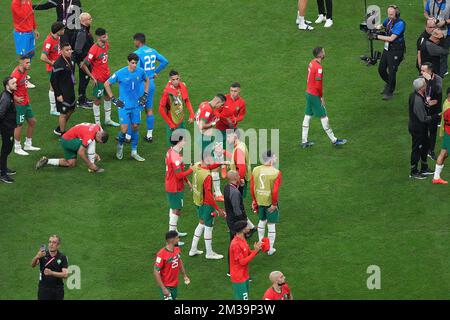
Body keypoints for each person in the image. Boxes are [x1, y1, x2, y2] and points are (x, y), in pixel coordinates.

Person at [104, 53, 149, 162]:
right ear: (128, 62)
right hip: (123, 106)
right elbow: (106, 84)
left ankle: (134, 151)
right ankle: (120, 146)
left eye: (136, 63)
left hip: (136, 105)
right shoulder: (120, 73)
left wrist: (145, 94)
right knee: (124, 130)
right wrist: (113, 99)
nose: (134, 65)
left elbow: (147, 80)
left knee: (135, 127)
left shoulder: (140, 71)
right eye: (132, 63)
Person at [301, 47, 347, 148]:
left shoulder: (311, 62)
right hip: (314, 95)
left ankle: (304, 141)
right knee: (324, 117)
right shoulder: (319, 68)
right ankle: (334, 140)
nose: (325, 53)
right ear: (320, 54)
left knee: (307, 115)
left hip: (308, 93)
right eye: (324, 51)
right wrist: (321, 97)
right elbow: (318, 85)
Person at [133, 33, 169, 142]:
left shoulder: (137, 53)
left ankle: (131, 135)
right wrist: (155, 72)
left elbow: (137, 71)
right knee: (149, 109)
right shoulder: (152, 51)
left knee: (136, 109)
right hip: (151, 84)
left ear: (138, 42)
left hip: (141, 85)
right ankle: (149, 135)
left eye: (134, 41)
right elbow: (165, 61)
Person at [81, 28, 119, 127]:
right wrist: (92, 77)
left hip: (107, 78)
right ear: (98, 38)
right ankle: (97, 124)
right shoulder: (93, 50)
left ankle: (107, 119)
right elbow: (84, 65)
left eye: (106, 35)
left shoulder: (106, 45)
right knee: (97, 100)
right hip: (98, 80)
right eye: (104, 37)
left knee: (107, 97)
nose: (106, 38)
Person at [188, 157, 225, 259]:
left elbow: (210, 167)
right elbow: (209, 195)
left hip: (197, 201)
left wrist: (221, 163)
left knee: (201, 223)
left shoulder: (197, 166)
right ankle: (209, 253)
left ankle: (193, 249)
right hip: (206, 204)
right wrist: (218, 209)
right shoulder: (207, 176)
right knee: (208, 227)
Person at [36, 122, 108, 173]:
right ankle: (92, 167)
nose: (99, 143)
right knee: (89, 142)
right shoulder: (90, 136)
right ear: (99, 136)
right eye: (100, 141)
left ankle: (47, 161)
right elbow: (81, 152)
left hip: (66, 139)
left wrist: (93, 153)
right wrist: (89, 163)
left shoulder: (97, 127)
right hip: (68, 141)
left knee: (71, 163)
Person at [224, 171, 257, 276]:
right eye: (238, 175)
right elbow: (237, 209)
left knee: (234, 245)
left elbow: (237, 197)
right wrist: (244, 223)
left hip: (231, 220)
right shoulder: (234, 192)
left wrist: (241, 186)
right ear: (235, 178)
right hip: (236, 223)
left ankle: (231, 270)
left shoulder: (227, 188)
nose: (240, 176)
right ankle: (236, 272)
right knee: (238, 247)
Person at [370, 5, 406, 100]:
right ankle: (389, 83)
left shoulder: (400, 23)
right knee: (381, 69)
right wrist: (375, 28)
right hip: (388, 49)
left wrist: (376, 36)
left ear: (397, 14)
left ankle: (390, 91)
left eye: (391, 14)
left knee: (392, 71)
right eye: (388, 14)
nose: (389, 16)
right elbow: (382, 26)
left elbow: (391, 38)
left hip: (396, 50)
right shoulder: (389, 20)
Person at [250, 150, 282, 256]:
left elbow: (252, 187)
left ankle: (261, 244)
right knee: (271, 224)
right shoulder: (276, 172)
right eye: (275, 156)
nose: (276, 158)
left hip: (259, 200)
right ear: (271, 158)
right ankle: (270, 249)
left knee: (262, 221)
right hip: (269, 202)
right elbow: (275, 191)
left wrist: (254, 200)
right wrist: (273, 204)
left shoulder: (255, 170)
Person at [408, 78, 440, 179]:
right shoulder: (417, 100)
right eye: (425, 86)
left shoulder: (418, 95)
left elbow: (423, 106)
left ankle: (424, 167)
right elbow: (423, 118)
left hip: (421, 127)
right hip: (418, 129)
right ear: (421, 88)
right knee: (417, 148)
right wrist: (437, 116)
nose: (426, 87)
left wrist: (428, 104)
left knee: (425, 145)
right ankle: (413, 171)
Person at [165, 134, 193, 246]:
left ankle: (174, 231)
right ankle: (173, 238)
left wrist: (188, 181)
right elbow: (178, 175)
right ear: (178, 142)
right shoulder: (175, 157)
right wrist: (191, 169)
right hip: (174, 186)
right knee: (176, 210)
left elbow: (179, 171)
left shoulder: (171, 152)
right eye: (183, 140)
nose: (185, 141)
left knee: (175, 208)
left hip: (174, 185)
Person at [11, 56, 40, 156]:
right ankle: (17, 147)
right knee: (19, 125)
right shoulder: (16, 75)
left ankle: (28, 144)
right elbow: (8, 89)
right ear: (21, 63)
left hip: (26, 101)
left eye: (29, 62)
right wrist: (16, 98)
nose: (29, 64)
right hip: (19, 104)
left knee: (32, 122)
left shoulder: (24, 70)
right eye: (27, 63)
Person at [158, 70, 195, 146]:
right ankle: (171, 157)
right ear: (170, 79)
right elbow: (160, 109)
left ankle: (179, 157)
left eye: (177, 79)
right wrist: (170, 124)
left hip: (180, 118)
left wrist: (192, 114)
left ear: (179, 77)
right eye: (173, 80)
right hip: (172, 120)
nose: (175, 81)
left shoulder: (182, 86)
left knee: (182, 142)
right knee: (173, 145)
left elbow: (187, 100)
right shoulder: (167, 91)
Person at [229, 220, 262, 300]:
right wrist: (255, 252)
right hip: (238, 276)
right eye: (247, 226)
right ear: (242, 229)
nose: (249, 227)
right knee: (243, 298)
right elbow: (242, 262)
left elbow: (248, 253)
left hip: (244, 274)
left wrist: (257, 249)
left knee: (244, 297)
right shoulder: (235, 244)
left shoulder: (242, 239)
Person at [154, 231, 190, 300]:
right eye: (177, 238)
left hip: (174, 284)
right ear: (172, 240)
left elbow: (179, 261)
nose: (179, 239)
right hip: (166, 285)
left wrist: (184, 275)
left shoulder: (176, 249)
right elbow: (156, 271)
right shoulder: (161, 254)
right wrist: (163, 288)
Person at [11, 0, 39, 89]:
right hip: (22, 34)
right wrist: (29, 9)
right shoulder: (15, 3)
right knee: (24, 57)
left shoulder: (28, 1)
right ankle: (23, 80)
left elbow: (31, 15)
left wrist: (35, 28)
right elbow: (24, 15)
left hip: (29, 32)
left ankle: (24, 74)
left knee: (31, 54)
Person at [31, 235, 68, 300]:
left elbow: (65, 275)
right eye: (50, 242)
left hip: (57, 290)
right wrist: (37, 256)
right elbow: (32, 265)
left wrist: (52, 273)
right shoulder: (43, 254)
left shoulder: (62, 257)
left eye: (54, 242)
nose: (51, 244)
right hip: (43, 290)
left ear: (58, 245)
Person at [51, 42, 76, 136]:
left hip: (70, 89)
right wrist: (58, 94)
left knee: (72, 109)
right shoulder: (58, 64)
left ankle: (59, 128)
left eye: (70, 49)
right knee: (63, 113)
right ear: (61, 51)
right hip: (62, 92)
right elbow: (53, 81)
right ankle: (62, 134)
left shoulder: (71, 58)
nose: (69, 51)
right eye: (67, 50)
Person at [41, 21, 65, 116]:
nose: (64, 30)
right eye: (62, 29)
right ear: (58, 31)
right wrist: (52, 63)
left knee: (58, 85)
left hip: (59, 66)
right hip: (53, 68)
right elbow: (43, 57)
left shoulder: (57, 37)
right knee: (53, 87)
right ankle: (53, 108)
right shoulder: (49, 41)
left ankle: (57, 103)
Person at [421, 62, 443, 160]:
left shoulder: (438, 79)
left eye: (423, 71)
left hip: (434, 109)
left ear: (429, 72)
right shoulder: (420, 79)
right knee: (423, 130)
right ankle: (424, 147)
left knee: (433, 131)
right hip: (424, 109)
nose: (421, 72)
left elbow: (437, 91)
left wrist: (430, 80)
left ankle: (431, 150)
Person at [195, 94, 226, 159]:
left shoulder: (204, 103)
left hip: (200, 134)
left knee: (204, 156)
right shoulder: (208, 109)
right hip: (204, 137)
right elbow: (202, 126)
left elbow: (196, 115)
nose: (221, 106)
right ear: (218, 102)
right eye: (221, 104)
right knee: (209, 158)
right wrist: (213, 123)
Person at [72, 12, 94, 109]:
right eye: (89, 19)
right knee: (83, 79)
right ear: (84, 21)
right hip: (84, 60)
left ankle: (83, 98)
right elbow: (77, 49)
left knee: (85, 79)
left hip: (85, 59)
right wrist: (81, 61)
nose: (91, 20)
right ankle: (81, 101)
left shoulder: (83, 29)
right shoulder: (82, 32)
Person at [424, 0, 450, 76]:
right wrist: (429, 18)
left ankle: (442, 71)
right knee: (432, 51)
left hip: (446, 32)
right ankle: (432, 68)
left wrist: (444, 22)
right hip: (432, 32)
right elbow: (425, 12)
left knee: (443, 52)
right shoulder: (430, 1)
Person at [0, 77, 18, 184]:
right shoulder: (6, 98)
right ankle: (2, 174)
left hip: (8, 126)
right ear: (7, 86)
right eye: (13, 83)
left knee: (7, 149)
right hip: (6, 128)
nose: (15, 84)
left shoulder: (9, 94)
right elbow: (0, 113)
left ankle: (3, 168)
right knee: (6, 150)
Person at [227, 129, 252, 198]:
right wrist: (224, 152)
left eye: (229, 137)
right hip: (242, 176)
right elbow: (235, 158)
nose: (227, 139)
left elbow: (242, 167)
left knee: (237, 201)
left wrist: (239, 180)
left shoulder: (238, 150)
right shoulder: (241, 144)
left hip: (238, 179)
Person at [433, 87, 450, 184]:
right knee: (444, 154)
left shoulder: (446, 102)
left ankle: (436, 177)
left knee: (443, 154)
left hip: (447, 132)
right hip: (449, 134)